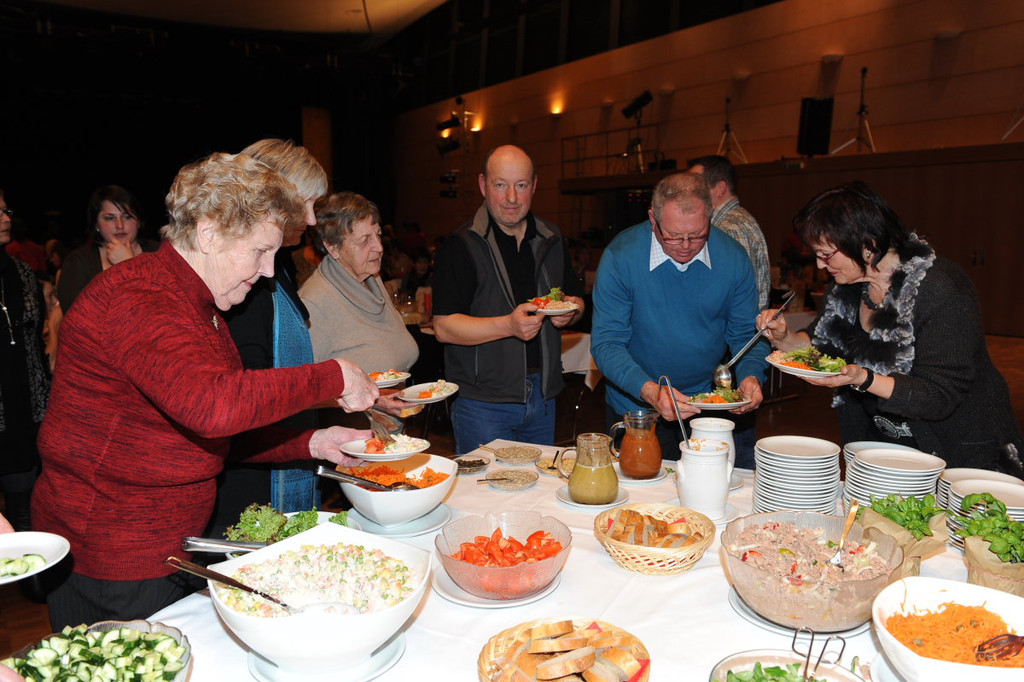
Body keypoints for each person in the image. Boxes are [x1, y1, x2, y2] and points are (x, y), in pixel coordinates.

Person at [31, 152, 378, 629]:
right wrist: (334, 376)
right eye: (259, 251)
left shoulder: (197, 303)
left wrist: (311, 442)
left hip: (167, 548)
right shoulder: (138, 296)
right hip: (113, 557)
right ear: (209, 233)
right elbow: (213, 407)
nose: (268, 271)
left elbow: (212, 433)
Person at [758, 181, 1023, 474]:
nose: (820, 265)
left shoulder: (941, 290)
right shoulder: (846, 288)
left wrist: (863, 378)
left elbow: (939, 395)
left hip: (958, 450)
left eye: (826, 254)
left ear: (868, 245)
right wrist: (784, 337)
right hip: (881, 445)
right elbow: (820, 347)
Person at [590, 172, 765, 466]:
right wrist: (651, 392)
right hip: (636, 403)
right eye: (672, 236)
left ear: (710, 217)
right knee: (639, 486)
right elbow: (607, 343)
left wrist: (751, 375)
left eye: (697, 235)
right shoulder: (621, 256)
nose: (685, 245)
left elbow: (747, 335)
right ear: (653, 219)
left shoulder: (732, 258)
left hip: (705, 404)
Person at [208, 139, 330, 539]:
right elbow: (247, 390)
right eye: (305, 204)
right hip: (249, 480)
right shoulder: (244, 282)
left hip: (275, 452)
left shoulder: (279, 266)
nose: (311, 219)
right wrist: (333, 382)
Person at [432, 145, 585, 453]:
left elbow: (577, 300)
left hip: (543, 396)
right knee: (486, 485)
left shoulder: (551, 238)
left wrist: (571, 311)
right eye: (500, 185)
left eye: (521, 185)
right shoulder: (462, 245)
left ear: (535, 185)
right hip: (483, 402)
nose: (512, 197)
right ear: (483, 185)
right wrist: (508, 326)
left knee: (539, 484)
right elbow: (444, 327)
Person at [299, 192, 419, 424]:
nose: (379, 247)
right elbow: (301, 391)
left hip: (389, 434)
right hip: (348, 439)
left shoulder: (373, 280)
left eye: (378, 235)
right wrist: (374, 401)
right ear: (332, 247)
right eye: (364, 240)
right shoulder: (313, 303)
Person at [0, 190, 49, 533]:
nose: (6, 218)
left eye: (6, 210)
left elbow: (35, 343)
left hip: (26, 413)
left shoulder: (23, 273)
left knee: (26, 511)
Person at [56, 185, 158, 314]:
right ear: (96, 224)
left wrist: (128, 266)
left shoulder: (160, 252)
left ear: (138, 220)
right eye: (110, 218)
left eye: (127, 217)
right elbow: (77, 317)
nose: (120, 225)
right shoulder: (78, 262)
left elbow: (168, 308)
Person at [686, 155, 771, 310]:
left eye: (695, 185)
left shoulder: (729, 228)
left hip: (734, 325)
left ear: (720, 188)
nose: (687, 192)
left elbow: (734, 297)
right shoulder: (733, 221)